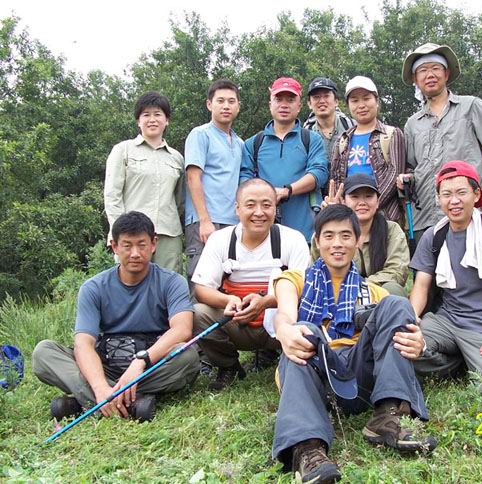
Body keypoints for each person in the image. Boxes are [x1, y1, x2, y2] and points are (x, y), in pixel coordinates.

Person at [271, 204, 435, 483]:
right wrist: (284, 329)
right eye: (329, 235)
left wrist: (420, 343)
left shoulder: (374, 291)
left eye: (346, 236)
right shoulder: (294, 280)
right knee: (305, 329)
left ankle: (387, 415)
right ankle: (307, 448)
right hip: (314, 375)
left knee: (398, 304)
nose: (337, 243)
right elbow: (285, 313)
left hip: (358, 381)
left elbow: (405, 328)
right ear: (317, 241)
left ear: (358, 241)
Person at [32, 212, 200, 422]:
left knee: (188, 356)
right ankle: (126, 401)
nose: (135, 253)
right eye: (127, 246)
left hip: (150, 366)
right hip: (105, 366)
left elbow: (182, 329)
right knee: (44, 353)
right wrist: (99, 386)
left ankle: (87, 402)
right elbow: (83, 343)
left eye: (142, 245)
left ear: (153, 244)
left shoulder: (172, 282)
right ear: (114, 246)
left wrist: (141, 361)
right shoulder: (93, 288)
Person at [409, 161, 482, 399]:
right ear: (439, 199)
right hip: (445, 321)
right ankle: (458, 362)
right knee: (401, 346)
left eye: (461, 192)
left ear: (476, 195)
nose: (454, 201)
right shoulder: (434, 235)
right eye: (446, 194)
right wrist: (410, 320)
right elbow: (421, 285)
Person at [192, 179, 310, 390]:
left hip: (282, 324)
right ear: (237, 209)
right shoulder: (220, 240)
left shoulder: (293, 239)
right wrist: (228, 300)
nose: (259, 212)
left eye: (266, 205)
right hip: (237, 322)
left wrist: (265, 302)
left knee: (311, 312)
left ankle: (295, 363)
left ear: (275, 208)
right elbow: (201, 289)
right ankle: (228, 366)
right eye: (250, 205)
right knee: (198, 314)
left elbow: (304, 290)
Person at [399, 43, 482, 238]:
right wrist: (407, 179)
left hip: (466, 217)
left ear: (446, 74)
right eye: (422, 70)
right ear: (415, 79)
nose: (430, 75)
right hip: (424, 221)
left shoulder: (470, 107)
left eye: (435, 68)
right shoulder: (412, 124)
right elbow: (411, 167)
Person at [239, 77, 328, 241]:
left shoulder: (311, 139)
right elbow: (244, 178)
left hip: (305, 232)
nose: (284, 105)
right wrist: (265, 195)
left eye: (291, 100)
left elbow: (319, 173)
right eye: (278, 99)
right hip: (263, 233)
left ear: (299, 106)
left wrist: (287, 190)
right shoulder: (253, 143)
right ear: (270, 104)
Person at [104, 92, 184, 273]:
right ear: (138, 121)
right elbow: (112, 196)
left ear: (166, 120)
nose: (152, 120)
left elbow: (180, 201)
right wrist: (119, 232)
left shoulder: (177, 158)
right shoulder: (123, 150)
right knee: (130, 283)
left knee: (168, 283)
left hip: (168, 234)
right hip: (131, 234)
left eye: (158, 114)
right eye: (146, 115)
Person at [184, 80, 244, 283]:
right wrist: (204, 220)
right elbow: (193, 177)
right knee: (202, 281)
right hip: (206, 221)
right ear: (209, 104)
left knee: (229, 282)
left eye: (231, 101)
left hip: (232, 222)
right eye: (220, 101)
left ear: (238, 106)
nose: (226, 106)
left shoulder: (239, 143)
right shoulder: (200, 134)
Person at [311, 174, 410, 296]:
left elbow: (397, 271)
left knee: (393, 289)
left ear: (378, 202)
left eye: (368, 196)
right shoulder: (331, 233)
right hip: (338, 293)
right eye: (355, 197)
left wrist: (360, 285)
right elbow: (316, 269)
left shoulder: (391, 229)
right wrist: (329, 221)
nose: (362, 202)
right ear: (343, 201)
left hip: (377, 293)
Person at [330, 76, 406, 224]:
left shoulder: (392, 134)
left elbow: (394, 175)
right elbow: (337, 179)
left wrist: (368, 207)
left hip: (385, 217)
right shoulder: (342, 140)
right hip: (350, 219)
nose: (361, 105)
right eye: (355, 100)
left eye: (366, 98)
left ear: (377, 101)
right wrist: (346, 210)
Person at [302, 77, 355, 161]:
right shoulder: (305, 134)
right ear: (309, 104)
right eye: (316, 97)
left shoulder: (351, 126)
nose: (322, 101)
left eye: (326, 96)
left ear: (336, 101)